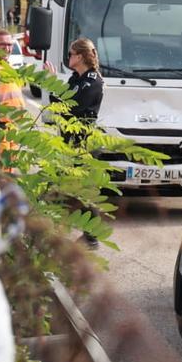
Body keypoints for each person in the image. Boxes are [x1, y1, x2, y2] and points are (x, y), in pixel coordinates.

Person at [61, 37, 106, 249]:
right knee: (67, 188)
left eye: (71, 54)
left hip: (84, 144)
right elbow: (58, 102)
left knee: (85, 191)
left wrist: (61, 98)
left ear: (79, 56)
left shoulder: (92, 80)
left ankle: (92, 238)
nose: (68, 58)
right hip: (69, 142)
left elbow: (73, 105)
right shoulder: (76, 78)